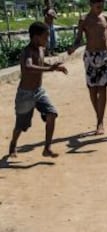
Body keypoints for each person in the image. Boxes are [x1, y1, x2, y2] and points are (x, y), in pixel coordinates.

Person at [8, 22, 68, 158]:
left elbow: (40, 63)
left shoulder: (41, 49)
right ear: (36, 37)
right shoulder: (27, 51)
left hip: (38, 91)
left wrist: (53, 66)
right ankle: (13, 143)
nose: (48, 39)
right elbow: (29, 66)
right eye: (45, 36)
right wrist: (50, 69)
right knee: (21, 126)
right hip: (25, 94)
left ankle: (47, 148)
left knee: (52, 114)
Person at [67, 0, 107, 135]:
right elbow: (79, 39)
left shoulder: (105, 18)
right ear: (91, 4)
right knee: (93, 90)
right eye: (98, 5)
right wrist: (73, 48)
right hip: (90, 57)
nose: (100, 8)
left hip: (104, 56)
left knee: (103, 88)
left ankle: (100, 122)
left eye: (102, 5)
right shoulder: (84, 20)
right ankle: (99, 117)